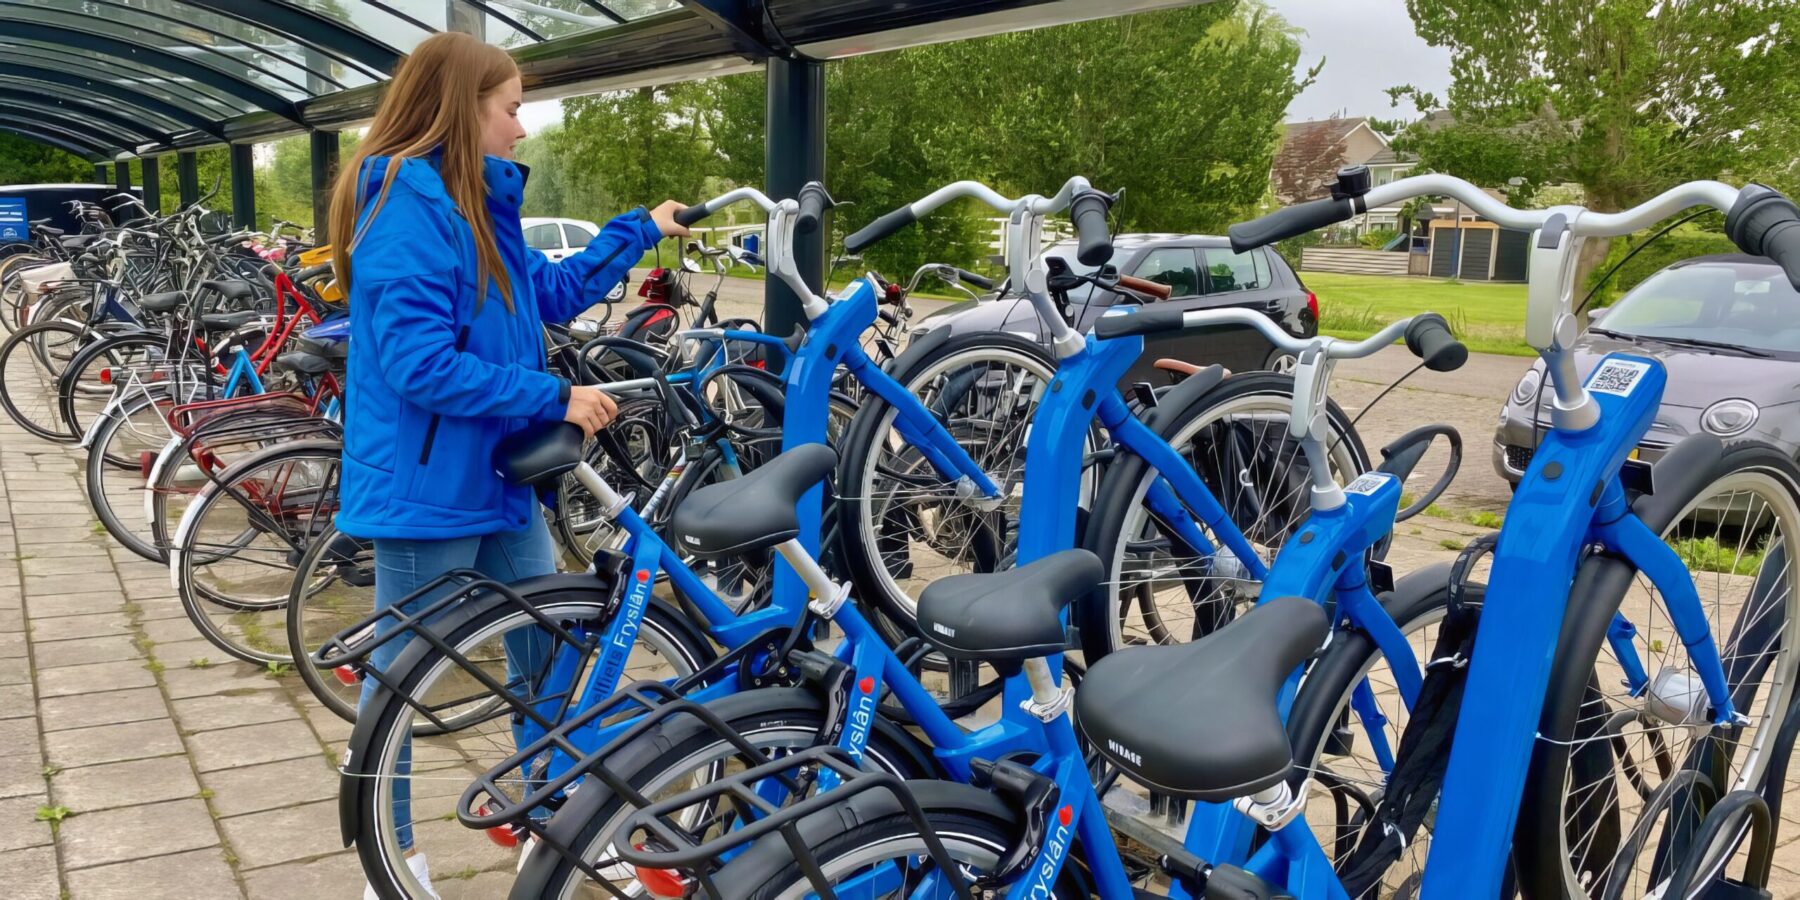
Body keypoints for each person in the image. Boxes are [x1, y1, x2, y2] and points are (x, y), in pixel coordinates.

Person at [326, 31, 687, 899]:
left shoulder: (472, 203)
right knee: (401, 693)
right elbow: (417, 364)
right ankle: (392, 858)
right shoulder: (406, 213)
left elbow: (547, 296)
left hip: (496, 481)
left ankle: (556, 829)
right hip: (424, 496)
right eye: (512, 107)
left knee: (552, 656)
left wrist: (639, 230)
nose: (521, 128)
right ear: (462, 107)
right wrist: (550, 396)